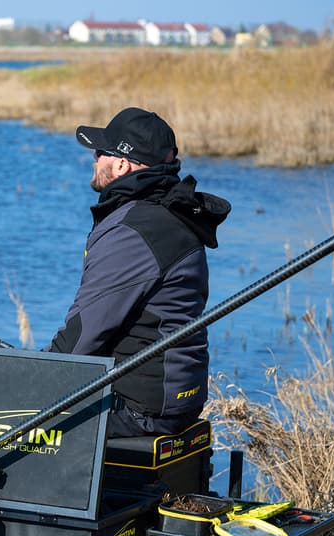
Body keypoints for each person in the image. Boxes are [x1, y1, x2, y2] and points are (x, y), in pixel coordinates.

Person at [48, 107, 231, 437]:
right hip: (172, 400)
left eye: (101, 152)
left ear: (121, 164)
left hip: (140, 408)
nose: (94, 157)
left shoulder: (134, 229)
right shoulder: (167, 213)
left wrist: (27, 376)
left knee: (5, 416)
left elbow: (83, 335)